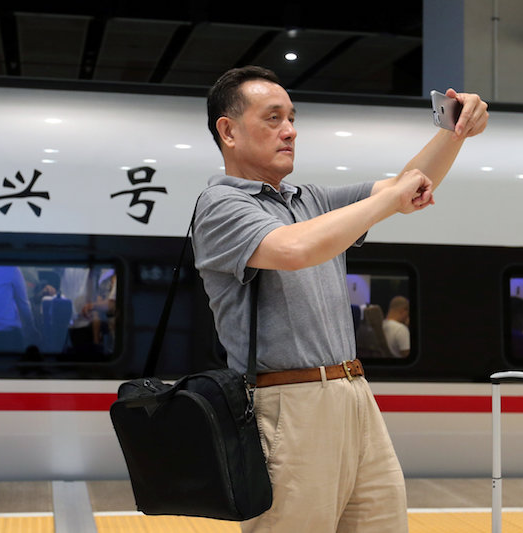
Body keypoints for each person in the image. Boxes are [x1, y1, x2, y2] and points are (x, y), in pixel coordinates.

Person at [192, 66, 488, 532]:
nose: (290, 131)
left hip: (354, 393)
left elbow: (407, 185)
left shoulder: (307, 199)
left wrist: (456, 131)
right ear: (227, 131)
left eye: (292, 118)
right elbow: (293, 249)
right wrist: (392, 200)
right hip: (288, 405)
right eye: (273, 118)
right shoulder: (220, 206)